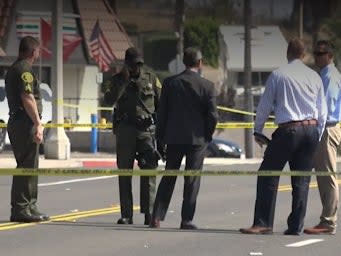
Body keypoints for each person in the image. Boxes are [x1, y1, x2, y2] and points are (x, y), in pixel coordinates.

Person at [239, 38, 327, 235]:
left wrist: (258, 130)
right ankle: (296, 226)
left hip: (289, 130)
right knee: (301, 180)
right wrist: (317, 134)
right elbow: (323, 110)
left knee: (267, 174)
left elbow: (265, 105)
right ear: (303, 55)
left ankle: (263, 223)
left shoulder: (278, 75)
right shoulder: (314, 77)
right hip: (311, 130)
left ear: (287, 54)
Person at [149, 47, 218, 229]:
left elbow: (162, 113)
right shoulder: (207, 86)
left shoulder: (170, 83)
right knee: (192, 179)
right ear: (200, 63)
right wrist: (207, 135)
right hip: (197, 139)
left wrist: (160, 137)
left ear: (184, 62)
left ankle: (156, 217)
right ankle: (186, 219)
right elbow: (213, 116)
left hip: (174, 137)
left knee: (169, 176)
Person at [103, 47, 162, 225]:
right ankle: (126, 214)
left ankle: (149, 213)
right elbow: (108, 100)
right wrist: (123, 81)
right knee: (125, 173)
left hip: (146, 131)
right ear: (126, 64)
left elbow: (161, 102)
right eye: (133, 64)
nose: (136, 68)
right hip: (126, 130)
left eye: (138, 64)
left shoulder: (151, 78)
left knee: (149, 172)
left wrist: (161, 131)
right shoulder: (117, 80)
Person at [5, 36, 49, 222]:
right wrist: (38, 123)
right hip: (25, 122)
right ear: (33, 52)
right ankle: (21, 209)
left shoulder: (14, 68)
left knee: (30, 165)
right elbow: (28, 97)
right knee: (26, 165)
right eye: (38, 51)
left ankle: (30, 205)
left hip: (20, 121)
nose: (38, 54)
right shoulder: (24, 70)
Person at [304, 40, 341, 235]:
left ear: (330, 56)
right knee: (323, 176)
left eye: (321, 53)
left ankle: (328, 222)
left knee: (327, 177)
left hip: (327, 128)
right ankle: (327, 220)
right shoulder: (325, 75)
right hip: (326, 128)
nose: (317, 57)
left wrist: (315, 130)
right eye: (316, 53)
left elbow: (325, 108)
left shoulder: (330, 77)